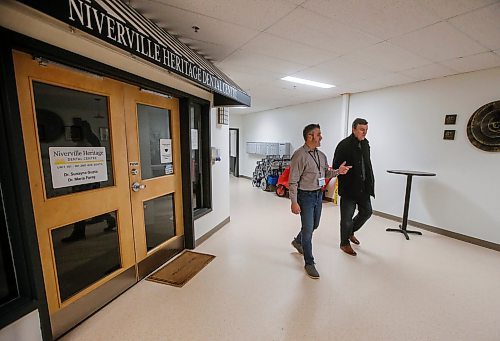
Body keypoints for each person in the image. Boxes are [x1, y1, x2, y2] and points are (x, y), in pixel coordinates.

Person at [289, 124, 351, 279]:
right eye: (318, 134)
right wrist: (294, 202)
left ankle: (298, 241)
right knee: (308, 230)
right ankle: (309, 263)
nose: (321, 137)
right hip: (305, 196)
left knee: (314, 225)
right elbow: (293, 181)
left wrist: (338, 171)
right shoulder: (299, 155)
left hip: (318, 195)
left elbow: (325, 172)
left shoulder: (321, 155)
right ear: (309, 137)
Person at [333, 118, 374, 256]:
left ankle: (350, 232)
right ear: (353, 129)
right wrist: (341, 170)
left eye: (366, 130)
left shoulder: (366, 144)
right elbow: (335, 167)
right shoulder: (343, 145)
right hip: (349, 188)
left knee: (367, 212)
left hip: (363, 187)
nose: (365, 133)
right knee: (346, 218)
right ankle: (344, 243)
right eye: (362, 129)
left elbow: (367, 165)